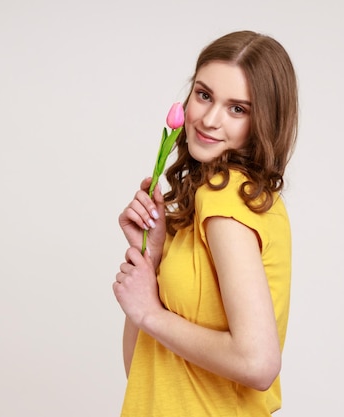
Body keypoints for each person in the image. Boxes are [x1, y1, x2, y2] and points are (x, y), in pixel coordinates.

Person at [113, 30, 298, 416]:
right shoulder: (212, 202)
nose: (210, 120)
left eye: (238, 109)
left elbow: (258, 363)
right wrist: (154, 257)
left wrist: (150, 312)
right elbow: (143, 371)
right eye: (204, 95)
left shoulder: (226, 195)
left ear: (264, 121)